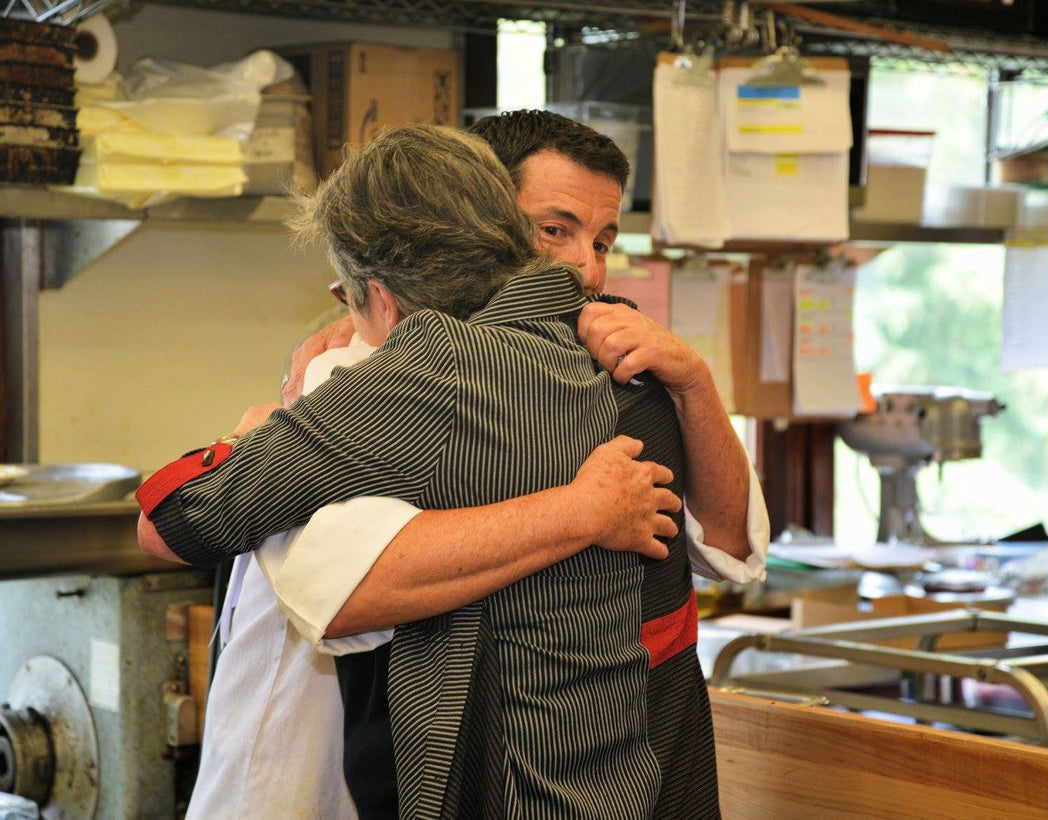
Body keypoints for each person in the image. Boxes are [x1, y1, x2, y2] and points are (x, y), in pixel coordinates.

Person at [137, 120, 763, 817]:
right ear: (485, 215)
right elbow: (345, 590)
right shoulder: (375, 367)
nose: (585, 267)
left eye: (603, 241)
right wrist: (584, 512)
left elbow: (734, 546)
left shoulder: (633, 361)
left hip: (590, 768)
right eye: (554, 230)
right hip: (401, 770)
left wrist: (696, 384)